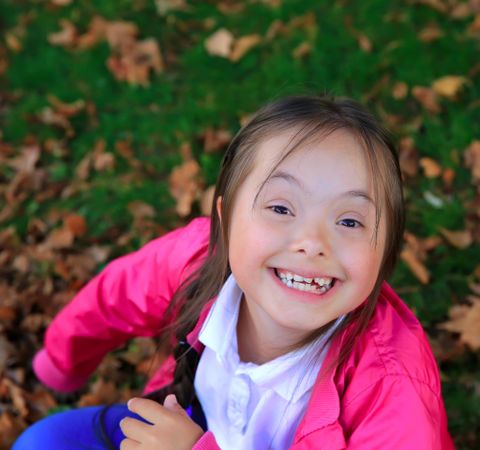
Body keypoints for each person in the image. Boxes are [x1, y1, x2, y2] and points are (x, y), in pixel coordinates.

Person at [14, 95, 454, 450]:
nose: (313, 242)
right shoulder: (197, 260)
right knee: (45, 442)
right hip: (185, 421)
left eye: (350, 221)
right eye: (281, 208)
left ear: (387, 248)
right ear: (225, 219)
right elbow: (113, 297)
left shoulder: (393, 389)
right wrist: (61, 365)